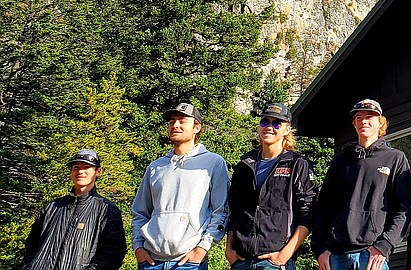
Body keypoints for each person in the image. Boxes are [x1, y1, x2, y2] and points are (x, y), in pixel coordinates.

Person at [312, 99, 411, 270]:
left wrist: (384, 246)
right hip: (337, 256)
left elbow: (404, 209)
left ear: (380, 122)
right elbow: (323, 207)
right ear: (354, 123)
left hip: (372, 255)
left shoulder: (395, 158)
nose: (363, 122)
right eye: (358, 118)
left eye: (369, 117)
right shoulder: (340, 161)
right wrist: (320, 249)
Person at [131, 102, 230, 270]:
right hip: (150, 261)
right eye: (172, 122)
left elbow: (222, 210)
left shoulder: (213, 163)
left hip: (189, 262)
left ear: (197, 127)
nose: (175, 125)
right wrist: (138, 247)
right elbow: (140, 212)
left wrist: (203, 248)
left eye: (182, 121)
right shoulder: (156, 167)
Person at [226, 102, 317, 270]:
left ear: (287, 130)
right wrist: (229, 250)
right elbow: (234, 208)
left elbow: (308, 213)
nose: (269, 127)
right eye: (264, 122)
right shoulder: (245, 165)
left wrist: (285, 255)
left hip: (274, 261)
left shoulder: (297, 164)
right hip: (241, 259)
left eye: (276, 123)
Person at [20, 149, 126, 270]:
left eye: (86, 167)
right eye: (76, 167)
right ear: (71, 171)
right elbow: (31, 244)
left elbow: (114, 254)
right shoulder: (52, 207)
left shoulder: (106, 210)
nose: (80, 171)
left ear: (98, 172)